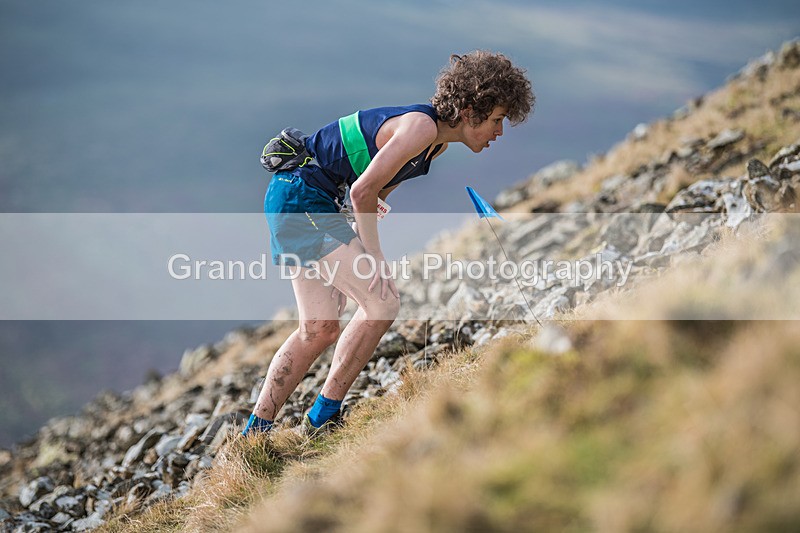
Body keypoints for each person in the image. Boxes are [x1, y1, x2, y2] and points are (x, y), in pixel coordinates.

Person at [243, 50, 534, 435]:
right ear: (468, 111)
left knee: (320, 327)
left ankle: (255, 432)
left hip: (300, 197)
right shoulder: (421, 130)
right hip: (303, 198)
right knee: (381, 301)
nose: (499, 131)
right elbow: (362, 192)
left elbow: (375, 195)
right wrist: (373, 257)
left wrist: (357, 244)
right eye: (497, 120)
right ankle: (322, 418)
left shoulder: (435, 144)